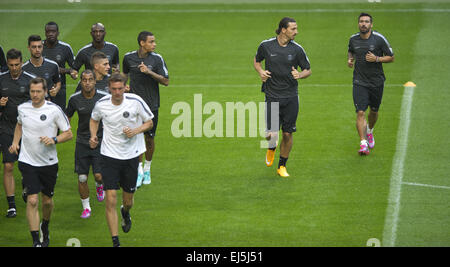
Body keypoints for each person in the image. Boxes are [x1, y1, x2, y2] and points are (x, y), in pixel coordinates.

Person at [90, 73, 153, 247]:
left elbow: (149, 122)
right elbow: (94, 119)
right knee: (110, 198)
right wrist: (94, 135)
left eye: (120, 89)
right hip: (109, 155)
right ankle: (115, 241)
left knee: (127, 201)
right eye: (114, 89)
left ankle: (125, 213)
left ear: (126, 87)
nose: (117, 92)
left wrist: (136, 130)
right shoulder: (101, 104)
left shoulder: (135, 101)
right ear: (109, 88)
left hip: (131, 156)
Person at [9, 77, 72, 247]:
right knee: (32, 200)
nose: (35, 95)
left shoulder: (54, 110)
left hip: (49, 163)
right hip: (27, 161)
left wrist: (54, 139)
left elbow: (68, 133)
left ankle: (45, 224)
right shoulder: (23, 108)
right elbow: (19, 125)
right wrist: (15, 142)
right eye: (32, 91)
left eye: (38, 91)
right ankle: (36, 240)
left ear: (45, 91)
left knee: (47, 201)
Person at [253, 17, 311, 177]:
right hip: (272, 95)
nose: (296, 32)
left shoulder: (297, 49)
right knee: (272, 134)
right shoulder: (266, 45)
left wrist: (300, 74)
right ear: (283, 29)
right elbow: (257, 61)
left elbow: (308, 69)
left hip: (291, 97)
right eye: (293, 29)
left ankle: (282, 166)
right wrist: (261, 72)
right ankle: (271, 147)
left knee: (287, 133)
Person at [122, 31, 169, 187]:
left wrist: (149, 72)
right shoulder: (129, 58)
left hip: (151, 105)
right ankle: (139, 170)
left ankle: (147, 168)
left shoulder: (157, 59)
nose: (154, 44)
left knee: (149, 138)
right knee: (135, 138)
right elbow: (124, 74)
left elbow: (166, 81)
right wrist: (123, 86)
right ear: (142, 43)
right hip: (133, 106)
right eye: (151, 42)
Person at [347, 13, 394, 155]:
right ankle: (363, 144)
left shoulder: (379, 39)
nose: (363, 24)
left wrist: (377, 59)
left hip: (376, 82)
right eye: (361, 21)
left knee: (373, 111)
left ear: (371, 25)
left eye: (366, 22)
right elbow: (351, 51)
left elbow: (391, 57)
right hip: (359, 81)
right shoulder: (353, 39)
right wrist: (350, 59)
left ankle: (370, 131)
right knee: (360, 112)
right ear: (358, 24)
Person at [66, 69, 108, 219]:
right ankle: (86, 207)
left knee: (98, 176)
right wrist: (65, 130)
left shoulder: (104, 98)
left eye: (90, 80)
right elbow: (67, 117)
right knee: (82, 178)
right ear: (81, 82)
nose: (88, 83)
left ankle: (99, 185)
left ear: (95, 81)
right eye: (84, 80)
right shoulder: (74, 99)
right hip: (82, 142)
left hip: (101, 141)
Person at [0, 49, 36, 218]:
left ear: (22, 63)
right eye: (11, 65)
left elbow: (38, 102)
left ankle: (26, 185)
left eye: (17, 65)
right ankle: (12, 206)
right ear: (7, 64)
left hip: (26, 129)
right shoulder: (1, 79)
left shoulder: (29, 80)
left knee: (26, 165)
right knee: (8, 165)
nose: (14, 68)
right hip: (6, 128)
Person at [43, 21, 77, 111]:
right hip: (41, 88)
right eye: (48, 31)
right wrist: (67, 71)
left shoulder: (65, 48)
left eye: (53, 31)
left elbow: (74, 67)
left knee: (60, 114)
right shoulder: (39, 47)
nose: (50, 34)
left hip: (60, 88)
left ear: (58, 33)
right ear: (45, 33)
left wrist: (73, 72)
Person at [22, 35, 61, 105]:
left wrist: (56, 89)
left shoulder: (53, 65)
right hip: (30, 106)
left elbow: (58, 82)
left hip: (48, 106)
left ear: (42, 47)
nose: (37, 50)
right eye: (34, 47)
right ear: (29, 48)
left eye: (39, 47)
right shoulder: (23, 69)